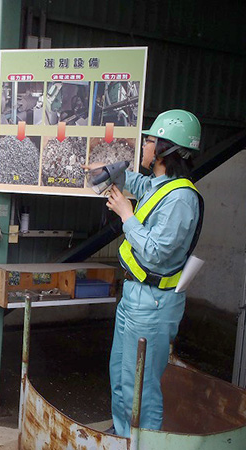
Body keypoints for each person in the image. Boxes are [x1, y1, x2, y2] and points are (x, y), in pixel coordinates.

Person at [94, 109, 204, 437]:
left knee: (141, 388)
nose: (143, 146)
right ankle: (123, 434)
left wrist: (127, 215)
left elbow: (156, 253)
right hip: (135, 295)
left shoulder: (182, 199)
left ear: (165, 150)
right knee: (121, 375)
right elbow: (140, 183)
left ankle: (142, 442)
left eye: (150, 140)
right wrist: (108, 172)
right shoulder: (162, 185)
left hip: (153, 303)